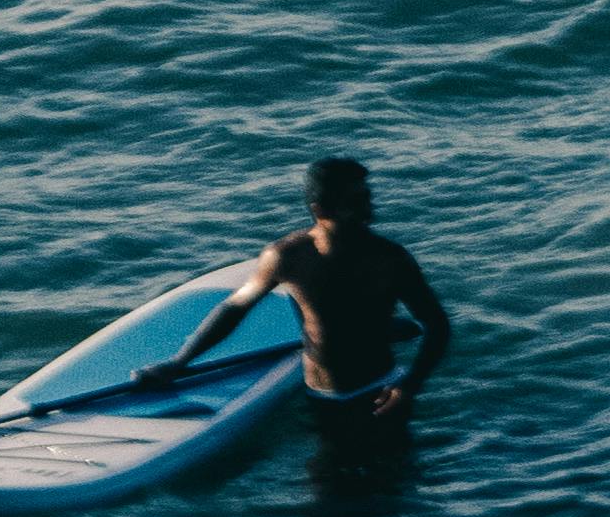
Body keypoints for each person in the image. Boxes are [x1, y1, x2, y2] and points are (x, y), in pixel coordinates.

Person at [177, 156, 453, 408]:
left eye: (368, 198)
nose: (369, 211)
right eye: (356, 203)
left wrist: (409, 386)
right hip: (320, 396)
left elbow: (437, 325)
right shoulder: (287, 257)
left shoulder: (390, 259)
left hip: (379, 392)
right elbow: (235, 308)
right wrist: (178, 363)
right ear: (320, 211)